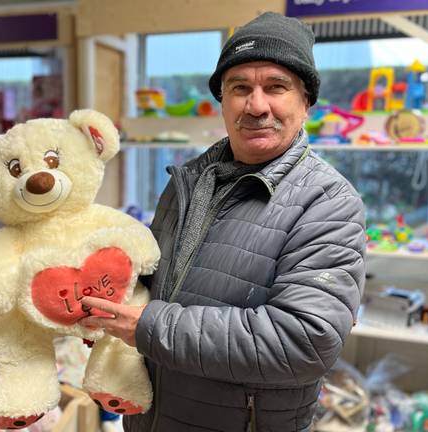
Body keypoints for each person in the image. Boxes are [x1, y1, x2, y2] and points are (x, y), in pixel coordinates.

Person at [79, 12, 365, 432]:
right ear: (223, 101)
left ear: (305, 102)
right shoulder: (187, 182)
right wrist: (101, 295)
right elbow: (155, 285)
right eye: (240, 88)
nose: (256, 105)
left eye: (276, 87)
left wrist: (145, 326)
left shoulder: (328, 202)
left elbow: (304, 341)